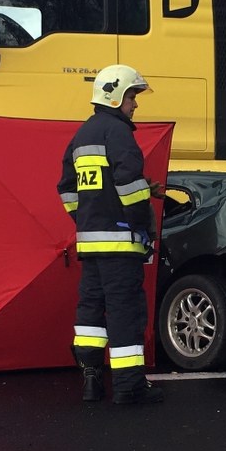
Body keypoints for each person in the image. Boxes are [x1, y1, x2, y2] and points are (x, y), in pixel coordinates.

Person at [56, 64, 163, 405]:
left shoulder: (82, 135)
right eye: (132, 96)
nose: (135, 104)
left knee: (90, 313)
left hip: (91, 243)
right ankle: (129, 388)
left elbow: (69, 189)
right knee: (124, 313)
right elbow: (128, 188)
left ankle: (91, 383)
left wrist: (88, 219)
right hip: (121, 244)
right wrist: (142, 225)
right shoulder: (118, 133)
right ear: (115, 95)